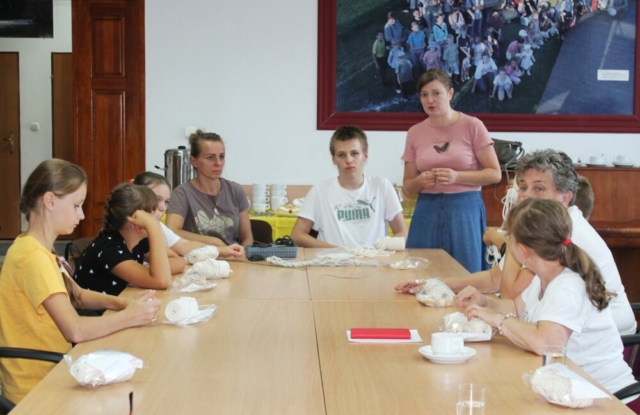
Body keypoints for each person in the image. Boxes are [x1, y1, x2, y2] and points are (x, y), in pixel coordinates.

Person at [396, 149, 636, 335]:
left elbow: (509, 294)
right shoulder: (546, 225)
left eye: (539, 188)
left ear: (565, 198)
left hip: (601, 338)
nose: (525, 195)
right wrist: (435, 283)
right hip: (557, 331)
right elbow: (495, 279)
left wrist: (512, 234)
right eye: (522, 187)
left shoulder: (565, 234)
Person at [0, 159, 160, 404]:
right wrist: (130, 317)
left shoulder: (39, 249)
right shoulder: (32, 257)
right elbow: (75, 329)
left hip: (58, 369)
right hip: (39, 386)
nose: (82, 214)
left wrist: (124, 304)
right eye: (76, 205)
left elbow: (78, 295)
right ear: (50, 201)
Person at [455, 198, 635, 395]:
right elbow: (517, 308)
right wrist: (485, 302)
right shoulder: (543, 276)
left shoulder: (568, 286)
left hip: (606, 397)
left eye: (510, 238)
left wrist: (498, 320)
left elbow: (545, 343)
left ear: (523, 251)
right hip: (572, 389)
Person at [401, 69, 501, 272]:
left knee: (466, 274)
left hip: (464, 211)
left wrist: (457, 177)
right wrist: (420, 181)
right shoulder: (414, 132)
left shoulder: (472, 125)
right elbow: (408, 187)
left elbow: (494, 173)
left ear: (450, 93)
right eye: (424, 95)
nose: (430, 100)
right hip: (426, 212)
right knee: (421, 275)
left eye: (436, 93)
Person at [291, 125, 408, 248]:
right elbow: (297, 235)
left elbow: (402, 232)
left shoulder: (382, 186)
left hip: (374, 259)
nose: (349, 160)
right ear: (333, 159)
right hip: (332, 259)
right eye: (342, 155)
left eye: (354, 153)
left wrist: (379, 250)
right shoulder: (320, 190)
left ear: (365, 155)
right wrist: (337, 251)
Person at [74, 183, 181, 296]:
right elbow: (162, 281)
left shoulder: (139, 242)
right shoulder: (109, 249)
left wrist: (144, 270)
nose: (158, 217)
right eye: (152, 214)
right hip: (96, 308)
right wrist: (153, 228)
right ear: (134, 220)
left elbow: (178, 261)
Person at [166, 130, 253, 247]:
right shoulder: (182, 193)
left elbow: (247, 238)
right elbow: (172, 231)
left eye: (222, 157)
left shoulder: (236, 190)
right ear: (194, 161)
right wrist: (214, 242)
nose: (218, 163)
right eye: (210, 158)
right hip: (197, 256)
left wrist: (243, 253)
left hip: (233, 256)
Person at [132, 172, 244, 258]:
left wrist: (222, 250)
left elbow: (184, 245)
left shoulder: (159, 226)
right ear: (137, 197)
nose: (163, 208)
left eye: (166, 202)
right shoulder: (131, 230)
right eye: (157, 199)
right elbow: (166, 263)